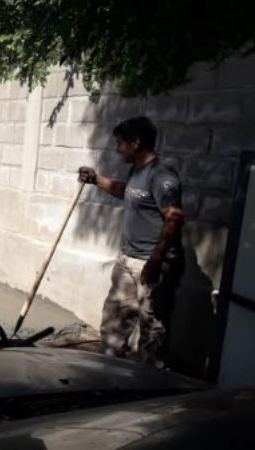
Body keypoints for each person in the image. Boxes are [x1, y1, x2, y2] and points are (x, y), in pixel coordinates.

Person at [78, 116, 184, 369]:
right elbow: (126, 192)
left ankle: (150, 381)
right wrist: (96, 179)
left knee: (152, 329)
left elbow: (174, 218)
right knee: (114, 319)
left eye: (120, 143)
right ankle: (107, 369)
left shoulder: (162, 176)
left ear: (136, 143)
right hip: (128, 259)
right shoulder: (138, 170)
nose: (117, 149)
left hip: (151, 263)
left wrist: (156, 260)